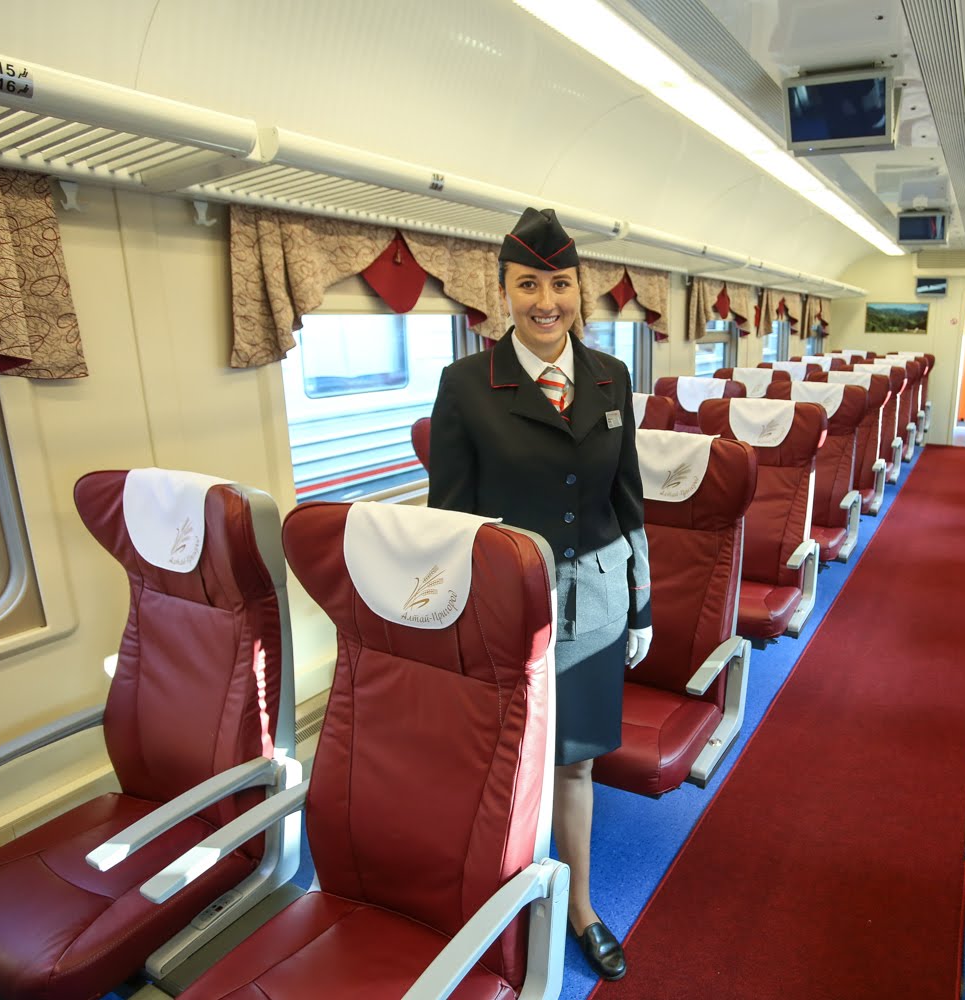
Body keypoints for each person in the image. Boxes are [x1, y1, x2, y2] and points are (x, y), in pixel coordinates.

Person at [428, 207, 652, 982]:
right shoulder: (466, 386)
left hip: (596, 603)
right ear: (503, 291)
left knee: (576, 763)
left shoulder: (612, 377)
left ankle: (581, 907)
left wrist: (642, 602)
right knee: (500, 763)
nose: (545, 301)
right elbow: (451, 521)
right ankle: (491, 898)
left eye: (559, 284)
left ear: (579, 289)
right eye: (528, 285)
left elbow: (629, 500)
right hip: (504, 604)